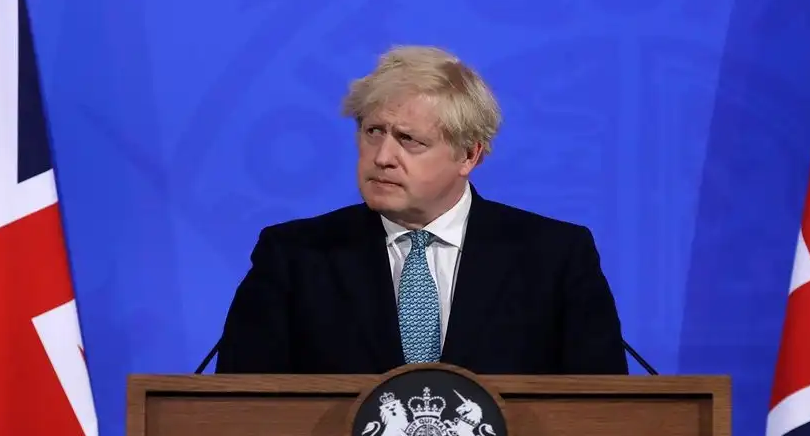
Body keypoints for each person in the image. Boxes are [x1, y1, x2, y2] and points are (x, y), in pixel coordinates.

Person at [214, 45, 628, 376]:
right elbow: (238, 410)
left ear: (469, 155)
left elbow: (604, 412)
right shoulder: (294, 255)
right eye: (373, 132)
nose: (383, 157)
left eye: (409, 139)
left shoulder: (554, 256)